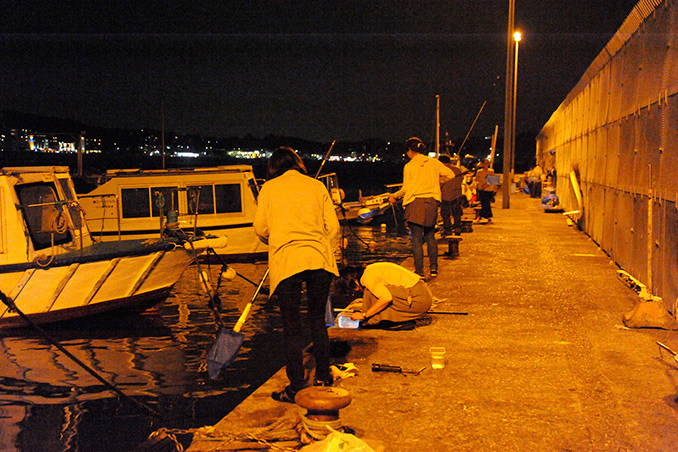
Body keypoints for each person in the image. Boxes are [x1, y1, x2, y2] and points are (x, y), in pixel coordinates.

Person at [253, 146, 340, 403]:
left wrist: (276, 237)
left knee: (291, 326)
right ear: (298, 164)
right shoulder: (316, 186)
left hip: (288, 260)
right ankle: (324, 376)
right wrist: (323, 245)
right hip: (319, 258)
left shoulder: (268, 188)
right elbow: (332, 228)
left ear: (274, 167)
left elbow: (260, 228)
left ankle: (296, 386)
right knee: (317, 319)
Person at [388, 137, 455, 279]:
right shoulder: (434, 163)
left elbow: (406, 188)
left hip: (415, 203)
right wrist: (439, 182)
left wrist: (395, 196)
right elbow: (451, 174)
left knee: (417, 238)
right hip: (431, 202)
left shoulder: (409, 166)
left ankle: (420, 271)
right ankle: (434, 269)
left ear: (410, 151)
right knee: (430, 236)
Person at [343, 262, 433, 326]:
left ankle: (370, 319)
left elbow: (386, 298)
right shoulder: (369, 269)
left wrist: (364, 315)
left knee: (370, 293)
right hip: (422, 294)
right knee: (374, 293)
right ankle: (371, 317)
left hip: (419, 300)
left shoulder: (367, 279)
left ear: (354, 281)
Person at [438, 154, 464, 236]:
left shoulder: (442, 171)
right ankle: (457, 229)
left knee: (445, 214)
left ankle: (448, 230)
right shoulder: (457, 169)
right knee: (457, 213)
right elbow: (461, 180)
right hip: (457, 194)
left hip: (445, 196)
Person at [474, 158, 496, 223]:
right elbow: (477, 179)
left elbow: (492, 180)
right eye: (484, 163)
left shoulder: (491, 171)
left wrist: (486, 186)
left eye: (487, 163)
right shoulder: (479, 172)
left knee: (486, 203)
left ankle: (482, 216)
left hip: (489, 189)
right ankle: (486, 217)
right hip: (481, 189)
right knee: (483, 203)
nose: (486, 165)